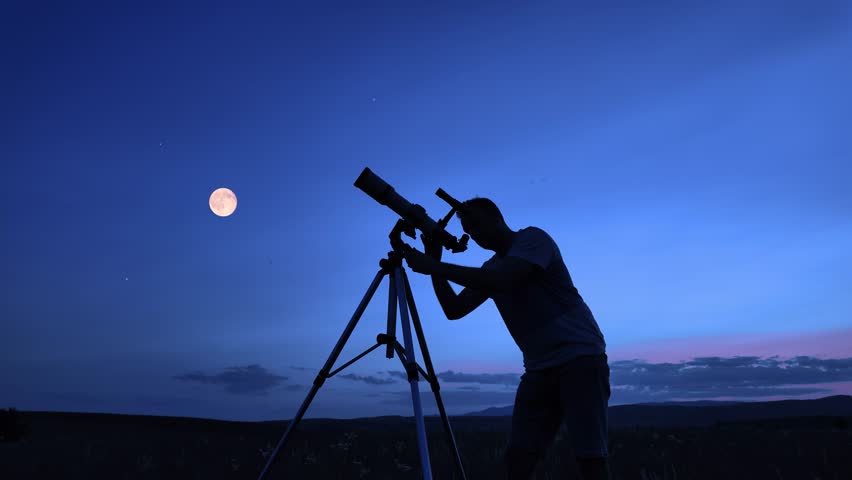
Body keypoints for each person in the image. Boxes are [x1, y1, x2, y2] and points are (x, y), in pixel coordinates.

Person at [403, 197, 611, 480]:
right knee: (519, 458)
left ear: (497, 217)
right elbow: (454, 309)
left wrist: (434, 267)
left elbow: (504, 280)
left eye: (476, 224)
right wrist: (435, 263)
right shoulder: (491, 268)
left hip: (580, 358)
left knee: (590, 458)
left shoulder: (533, 239)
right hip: (538, 368)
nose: (473, 234)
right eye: (468, 229)